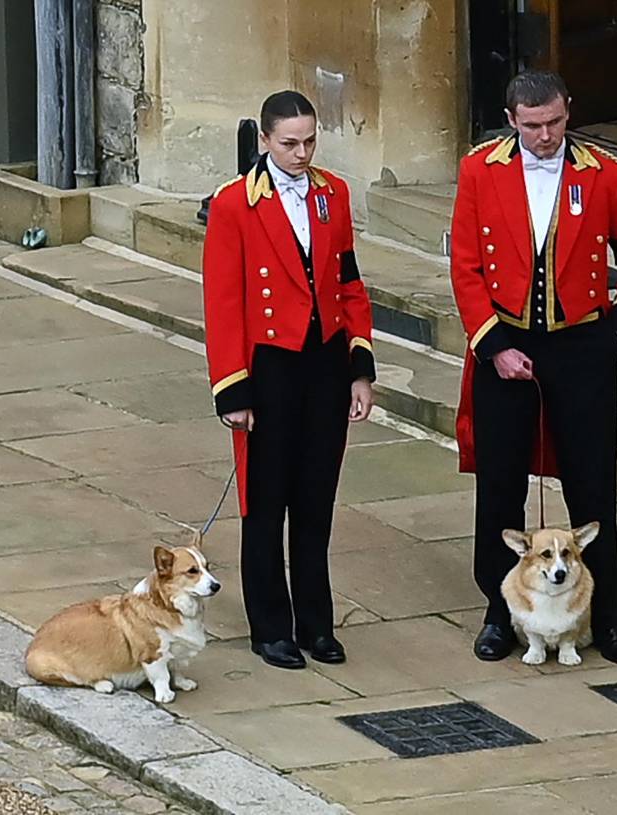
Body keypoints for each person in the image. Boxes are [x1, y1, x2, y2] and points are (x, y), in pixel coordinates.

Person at [450, 70, 617, 665]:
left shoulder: (604, 175)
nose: (546, 137)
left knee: (593, 492)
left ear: (568, 111)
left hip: (579, 351)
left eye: (556, 123)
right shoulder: (479, 171)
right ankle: (500, 614)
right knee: (500, 490)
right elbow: (465, 267)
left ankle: (609, 619)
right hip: (505, 346)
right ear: (512, 119)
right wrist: (492, 345)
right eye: (533, 125)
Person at [202, 91, 376, 670]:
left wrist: (360, 367)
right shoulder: (234, 205)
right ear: (264, 141)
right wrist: (232, 389)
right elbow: (223, 303)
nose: (302, 154)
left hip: (324, 363)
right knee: (266, 503)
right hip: (268, 368)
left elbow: (349, 281)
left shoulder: (334, 194)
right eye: (289, 143)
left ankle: (316, 624)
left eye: (309, 141)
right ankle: (270, 627)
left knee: (315, 501)